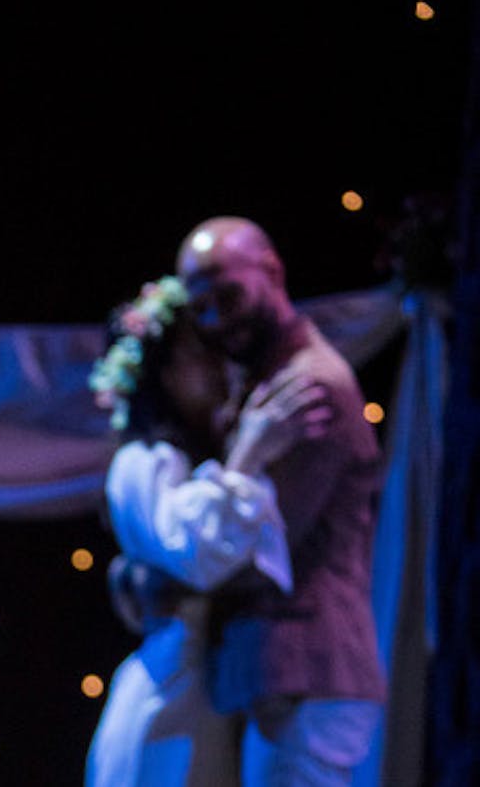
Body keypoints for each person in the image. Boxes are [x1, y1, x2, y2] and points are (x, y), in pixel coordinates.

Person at [83, 275, 331, 786]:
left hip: (211, 699)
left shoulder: (196, 458)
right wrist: (247, 459)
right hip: (170, 705)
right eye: (201, 355)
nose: (220, 368)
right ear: (165, 372)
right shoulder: (142, 462)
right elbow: (196, 552)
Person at [177, 216, 386, 784]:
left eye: (228, 295)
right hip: (285, 677)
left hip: (311, 674)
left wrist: (170, 577)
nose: (217, 318)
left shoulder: (309, 386)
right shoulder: (268, 381)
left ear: (271, 272)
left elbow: (260, 547)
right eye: (201, 308)